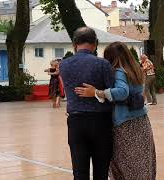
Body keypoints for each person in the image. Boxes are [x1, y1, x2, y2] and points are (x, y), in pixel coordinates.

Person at [74, 42, 156, 180]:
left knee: (126, 165)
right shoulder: (135, 69)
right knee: (142, 163)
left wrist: (97, 92)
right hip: (141, 122)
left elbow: (122, 92)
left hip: (125, 125)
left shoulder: (119, 71)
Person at [59, 27, 114, 180]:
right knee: (101, 172)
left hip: (76, 122)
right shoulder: (103, 64)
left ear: (74, 44)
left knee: (79, 172)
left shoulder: (64, 65)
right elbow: (113, 93)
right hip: (101, 122)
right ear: (95, 43)